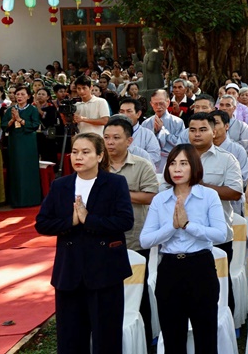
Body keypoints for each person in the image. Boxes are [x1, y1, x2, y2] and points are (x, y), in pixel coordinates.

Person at [36, 133, 134, 354]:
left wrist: (89, 219)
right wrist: (70, 221)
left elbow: (125, 221)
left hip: (105, 272)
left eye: (85, 152)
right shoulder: (60, 185)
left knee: (106, 340)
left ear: (100, 156)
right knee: (70, 340)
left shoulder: (115, 183)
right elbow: (42, 223)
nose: (78, 157)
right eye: (75, 152)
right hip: (69, 272)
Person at [140, 144, 226, 354]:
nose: (177, 169)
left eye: (183, 163)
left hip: (201, 267)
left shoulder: (209, 196)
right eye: (172, 163)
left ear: (194, 166)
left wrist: (188, 225)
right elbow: (145, 240)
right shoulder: (160, 199)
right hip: (169, 269)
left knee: (206, 336)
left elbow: (220, 234)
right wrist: (173, 226)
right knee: (172, 337)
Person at [103, 117, 159, 345]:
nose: (110, 142)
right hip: (103, 237)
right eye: (106, 138)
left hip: (135, 236)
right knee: (106, 290)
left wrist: (118, 193)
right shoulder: (96, 165)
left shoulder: (141, 165)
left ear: (129, 141)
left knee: (138, 290)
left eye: (116, 138)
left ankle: (144, 338)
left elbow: (151, 196)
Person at [187, 112, 243, 313]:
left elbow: (235, 192)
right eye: (192, 130)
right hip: (185, 235)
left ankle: (228, 322)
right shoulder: (179, 158)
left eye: (203, 130)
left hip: (217, 235)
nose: (197, 134)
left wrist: (202, 188)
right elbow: (164, 190)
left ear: (214, 131)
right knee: (188, 286)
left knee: (220, 284)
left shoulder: (226, 159)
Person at [1, 85, 42, 207]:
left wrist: (20, 119)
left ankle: (31, 199)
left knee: (28, 168)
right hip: (14, 141)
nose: (19, 97)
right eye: (17, 94)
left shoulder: (32, 109)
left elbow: (35, 125)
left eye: (22, 94)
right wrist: (12, 120)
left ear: (28, 96)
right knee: (15, 168)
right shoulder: (10, 109)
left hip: (28, 142)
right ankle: (16, 199)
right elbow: (4, 126)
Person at [142, 89, 186, 172]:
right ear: (151, 104)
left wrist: (163, 131)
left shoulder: (178, 122)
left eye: (161, 103)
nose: (158, 107)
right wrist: (155, 132)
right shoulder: (146, 123)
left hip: (172, 159)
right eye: (155, 104)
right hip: (151, 162)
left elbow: (180, 144)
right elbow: (143, 145)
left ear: (168, 102)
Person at [117, 97, 161, 166]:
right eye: (122, 111)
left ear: (138, 114)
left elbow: (155, 156)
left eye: (129, 111)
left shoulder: (147, 134)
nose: (124, 115)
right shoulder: (113, 133)